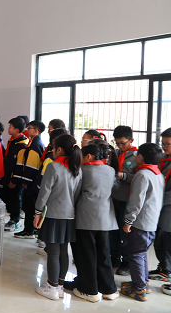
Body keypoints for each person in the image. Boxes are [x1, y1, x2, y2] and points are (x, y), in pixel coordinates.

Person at [65, 142, 120, 302]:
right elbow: (116, 189)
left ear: (88, 156)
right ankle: (109, 289)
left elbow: (75, 193)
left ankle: (89, 290)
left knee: (86, 255)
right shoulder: (110, 170)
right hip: (105, 219)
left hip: (86, 218)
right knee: (104, 254)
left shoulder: (82, 171)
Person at [34, 134, 83, 300]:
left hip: (53, 215)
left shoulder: (53, 167)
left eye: (53, 148)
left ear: (59, 149)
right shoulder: (77, 169)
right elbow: (76, 195)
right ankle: (60, 286)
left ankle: (52, 287)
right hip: (69, 216)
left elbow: (44, 192)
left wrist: (37, 212)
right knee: (63, 252)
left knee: (53, 253)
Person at [120, 143, 165, 302]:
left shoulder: (143, 175)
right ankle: (143, 283)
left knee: (136, 254)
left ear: (141, 157)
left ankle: (138, 290)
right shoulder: (157, 174)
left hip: (141, 222)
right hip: (151, 221)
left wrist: (128, 221)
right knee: (141, 254)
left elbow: (136, 201)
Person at [111, 125, 139, 275]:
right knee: (113, 230)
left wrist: (124, 176)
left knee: (125, 232)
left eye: (123, 143)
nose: (120, 146)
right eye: (117, 143)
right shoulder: (115, 153)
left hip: (127, 200)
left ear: (131, 140)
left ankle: (126, 262)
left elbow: (140, 178)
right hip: (115, 197)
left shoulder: (137, 157)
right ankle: (114, 256)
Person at [14, 120, 46, 239]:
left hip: (32, 183)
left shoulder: (35, 144)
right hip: (32, 182)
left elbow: (32, 166)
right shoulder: (33, 142)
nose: (27, 130)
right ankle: (28, 229)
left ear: (36, 130)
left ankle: (29, 231)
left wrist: (26, 181)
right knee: (29, 207)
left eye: (30, 128)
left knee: (30, 207)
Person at [0, 117, 28, 232]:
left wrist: (14, 180)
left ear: (17, 130)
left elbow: (19, 165)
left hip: (15, 179)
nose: (8, 129)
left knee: (15, 200)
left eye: (10, 127)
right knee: (9, 199)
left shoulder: (22, 145)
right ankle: (12, 219)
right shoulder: (12, 140)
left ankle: (16, 221)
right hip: (8, 176)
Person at [151, 127, 171, 282]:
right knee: (158, 238)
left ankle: (168, 270)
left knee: (166, 239)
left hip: (168, 206)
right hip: (158, 205)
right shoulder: (163, 159)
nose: (164, 147)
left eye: (167, 144)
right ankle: (163, 266)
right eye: (162, 143)